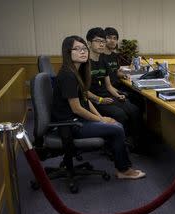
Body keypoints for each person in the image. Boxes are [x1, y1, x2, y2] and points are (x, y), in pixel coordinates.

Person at [51, 35, 145, 179]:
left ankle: (123, 166)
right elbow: (77, 108)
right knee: (117, 128)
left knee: (114, 123)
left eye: (84, 49)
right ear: (67, 52)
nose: (82, 52)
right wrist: (100, 120)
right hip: (70, 125)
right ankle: (123, 170)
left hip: (77, 120)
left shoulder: (77, 72)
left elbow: (85, 99)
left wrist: (101, 118)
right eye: (77, 49)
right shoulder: (67, 75)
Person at [85, 27, 144, 153]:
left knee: (134, 110)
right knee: (120, 114)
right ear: (89, 43)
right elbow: (83, 92)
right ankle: (117, 146)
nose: (101, 44)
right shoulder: (85, 63)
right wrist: (99, 99)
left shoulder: (103, 61)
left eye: (102, 41)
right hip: (95, 100)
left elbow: (108, 86)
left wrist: (118, 95)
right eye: (97, 41)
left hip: (107, 95)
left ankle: (135, 143)